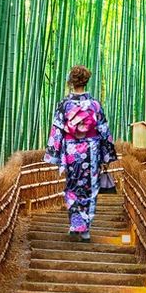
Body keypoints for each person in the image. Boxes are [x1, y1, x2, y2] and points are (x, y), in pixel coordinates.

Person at [44, 65, 116, 241]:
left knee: (72, 185)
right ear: (86, 81)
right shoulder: (95, 105)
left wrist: (55, 154)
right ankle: (85, 229)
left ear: (71, 82)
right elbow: (104, 131)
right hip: (91, 151)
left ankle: (75, 223)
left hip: (71, 151)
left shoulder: (64, 104)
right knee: (90, 188)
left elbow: (57, 131)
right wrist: (107, 155)